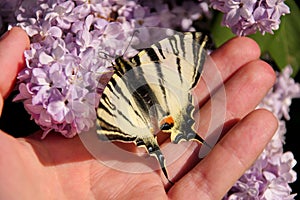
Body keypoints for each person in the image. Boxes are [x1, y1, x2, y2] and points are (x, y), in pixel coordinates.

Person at [0, 27, 278, 199]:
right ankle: (172, 133)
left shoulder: (112, 90)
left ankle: (164, 134)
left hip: (137, 116)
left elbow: (110, 117)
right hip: (164, 101)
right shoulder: (139, 68)